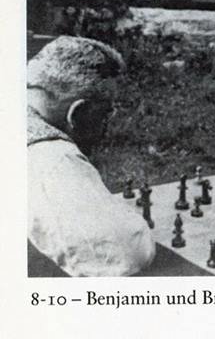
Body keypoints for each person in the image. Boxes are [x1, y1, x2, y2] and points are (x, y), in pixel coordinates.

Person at [27, 36, 156, 277]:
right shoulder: (51, 157)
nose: (107, 128)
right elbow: (127, 254)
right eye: (106, 113)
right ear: (78, 113)